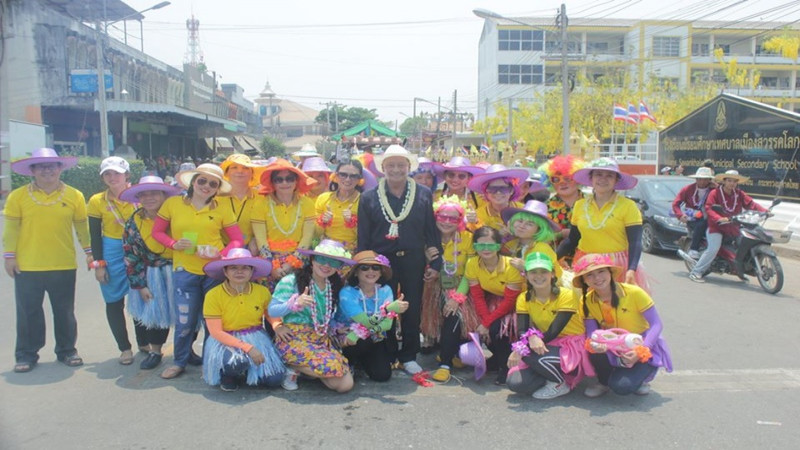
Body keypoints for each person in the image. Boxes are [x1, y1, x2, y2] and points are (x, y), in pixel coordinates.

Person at [357, 145, 443, 377]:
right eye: (391, 165)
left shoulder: (423, 194)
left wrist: (435, 264)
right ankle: (388, 352)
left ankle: (409, 355)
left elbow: (431, 233)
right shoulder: (368, 197)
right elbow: (363, 236)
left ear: (408, 167)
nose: (396, 169)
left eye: (401, 165)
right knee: (384, 308)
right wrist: (363, 268)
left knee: (412, 308)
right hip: (381, 264)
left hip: (413, 260)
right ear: (383, 168)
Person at [152, 163, 244, 379]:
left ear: (218, 188)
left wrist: (221, 253)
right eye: (202, 180)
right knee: (185, 320)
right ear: (193, 181)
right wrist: (173, 244)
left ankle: (212, 361)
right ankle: (180, 361)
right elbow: (157, 232)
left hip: (213, 272)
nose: (206, 186)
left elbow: (238, 239)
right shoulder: (173, 204)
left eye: (213, 183)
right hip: (184, 271)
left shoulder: (222, 208)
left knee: (212, 320)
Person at [4, 148, 90, 372]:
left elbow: (82, 227)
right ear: (32, 170)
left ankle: (67, 350)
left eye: (52, 165)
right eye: (41, 166)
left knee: (64, 311)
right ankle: (26, 354)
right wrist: (9, 257)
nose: (47, 170)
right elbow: (11, 229)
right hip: (27, 266)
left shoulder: (75, 196)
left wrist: (89, 252)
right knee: (28, 312)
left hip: (63, 264)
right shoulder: (18, 196)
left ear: (61, 168)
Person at [572, 254, 672, 397]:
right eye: (589, 275)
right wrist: (595, 344)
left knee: (622, 387)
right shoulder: (586, 300)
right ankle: (603, 382)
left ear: (610, 272)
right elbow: (591, 332)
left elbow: (656, 324)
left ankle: (641, 377)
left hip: (639, 343)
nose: (597, 278)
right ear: (584, 281)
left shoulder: (634, 292)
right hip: (611, 345)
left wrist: (640, 351)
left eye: (601, 271)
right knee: (592, 348)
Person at [268, 240, 355, 393]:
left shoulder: (334, 285)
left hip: (319, 337)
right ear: (313, 260)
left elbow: (328, 315)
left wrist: (337, 328)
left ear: (339, 267)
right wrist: (293, 304)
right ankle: (290, 365)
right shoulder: (291, 281)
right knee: (332, 368)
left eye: (333, 262)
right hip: (292, 337)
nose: (327, 265)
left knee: (344, 385)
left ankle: (303, 370)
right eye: (322, 259)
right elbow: (272, 310)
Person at [506, 252, 594, 399]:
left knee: (529, 356)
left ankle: (559, 383)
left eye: (544, 272)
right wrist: (529, 339)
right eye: (533, 272)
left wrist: (522, 349)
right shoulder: (523, 298)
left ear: (552, 274)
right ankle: (549, 374)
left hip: (572, 346)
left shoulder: (566, 295)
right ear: (526, 275)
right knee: (515, 383)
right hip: (546, 344)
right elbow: (522, 329)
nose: (539, 276)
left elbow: (554, 331)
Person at [557, 157, 648, 290]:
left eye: (609, 175)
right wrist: (551, 258)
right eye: (598, 174)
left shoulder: (628, 206)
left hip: (616, 266)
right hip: (586, 264)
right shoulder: (580, 205)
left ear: (616, 180)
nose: (603, 179)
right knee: (585, 306)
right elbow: (572, 240)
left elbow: (635, 242)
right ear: (591, 179)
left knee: (614, 307)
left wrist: (631, 269)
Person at [202, 249, 285, 392]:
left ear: (252, 271)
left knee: (275, 380)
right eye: (234, 268)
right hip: (225, 339)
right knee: (235, 363)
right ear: (225, 271)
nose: (239, 272)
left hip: (256, 337)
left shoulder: (262, 291)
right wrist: (248, 348)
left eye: (245, 268)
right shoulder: (213, 295)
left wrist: (277, 325)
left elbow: (270, 313)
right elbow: (216, 332)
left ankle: (249, 371)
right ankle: (228, 374)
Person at [120, 176, 182, 370]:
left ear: (164, 195)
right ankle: (155, 351)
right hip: (151, 273)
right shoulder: (134, 222)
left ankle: (186, 351)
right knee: (155, 313)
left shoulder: (177, 215)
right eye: (143, 195)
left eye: (154, 193)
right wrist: (140, 285)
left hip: (178, 269)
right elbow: (130, 255)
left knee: (186, 313)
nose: (149, 198)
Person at [87, 156, 144, 365]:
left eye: (117, 173)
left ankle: (144, 342)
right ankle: (124, 348)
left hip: (137, 250)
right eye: (107, 174)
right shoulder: (96, 201)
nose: (112, 178)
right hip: (111, 251)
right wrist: (99, 264)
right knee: (113, 301)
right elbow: (94, 235)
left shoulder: (139, 196)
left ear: (127, 175)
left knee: (140, 296)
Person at [424, 196, 481, 383]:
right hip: (432, 288)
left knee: (454, 314)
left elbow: (470, 273)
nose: (447, 222)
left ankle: (445, 364)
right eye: (443, 217)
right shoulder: (427, 238)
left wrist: (457, 298)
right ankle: (451, 351)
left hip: (460, 287)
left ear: (460, 221)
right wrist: (426, 261)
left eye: (453, 218)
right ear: (435, 216)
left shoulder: (468, 239)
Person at [464, 226, 524, 385]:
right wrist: (483, 321)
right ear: (475, 247)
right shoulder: (472, 264)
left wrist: (487, 323)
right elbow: (477, 296)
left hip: (516, 305)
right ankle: (498, 359)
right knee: (480, 327)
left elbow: (510, 301)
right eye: (480, 245)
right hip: (493, 303)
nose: (485, 249)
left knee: (498, 329)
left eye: (490, 245)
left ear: (498, 246)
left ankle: (505, 367)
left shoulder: (511, 266)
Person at [336, 251, 408, 382]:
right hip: (347, 339)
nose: (371, 271)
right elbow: (366, 322)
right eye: (364, 267)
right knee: (359, 342)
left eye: (376, 268)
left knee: (382, 376)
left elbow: (387, 325)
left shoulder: (385, 290)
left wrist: (358, 334)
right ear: (356, 272)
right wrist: (388, 308)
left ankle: (362, 362)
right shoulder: (347, 292)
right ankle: (349, 362)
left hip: (373, 337)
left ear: (381, 272)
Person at [688, 170, 767, 283]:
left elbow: (751, 204)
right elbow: (709, 208)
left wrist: (764, 211)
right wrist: (719, 218)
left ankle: (741, 270)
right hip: (716, 227)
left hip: (734, 226)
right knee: (713, 248)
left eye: (734, 181)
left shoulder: (739, 194)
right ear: (724, 181)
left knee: (746, 243)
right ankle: (696, 272)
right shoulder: (714, 193)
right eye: (729, 181)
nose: (732, 184)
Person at [251, 159, 317, 283]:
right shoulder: (261, 204)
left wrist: (291, 263)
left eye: (290, 178)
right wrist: (271, 266)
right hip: (269, 260)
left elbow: (307, 237)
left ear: (296, 181)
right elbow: (261, 239)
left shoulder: (307, 203)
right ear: (272, 183)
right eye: (279, 180)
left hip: (299, 259)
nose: (285, 183)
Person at [315, 159, 372, 253]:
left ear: (359, 180)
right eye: (343, 175)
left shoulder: (365, 202)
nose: (347, 179)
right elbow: (315, 234)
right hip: (325, 250)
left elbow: (367, 236)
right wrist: (323, 221)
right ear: (335, 176)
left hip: (351, 254)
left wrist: (352, 223)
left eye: (353, 176)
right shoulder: (323, 198)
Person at [500, 199, 563, 280]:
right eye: (519, 221)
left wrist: (527, 267)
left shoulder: (541, 249)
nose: (522, 226)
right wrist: (500, 237)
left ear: (539, 229)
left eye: (529, 224)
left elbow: (553, 278)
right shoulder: (512, 243)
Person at [466, 164, 528, 240]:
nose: (498, 193)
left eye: (503, 188)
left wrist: (514, 234)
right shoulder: (478, 215)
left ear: (511, 190)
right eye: (492, 189)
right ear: (486, 192)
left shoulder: (525, 210)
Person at [217, 154, 266, 251]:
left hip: (252, 250)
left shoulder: (261, 197)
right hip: (221, 249)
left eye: (245, 168)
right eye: (234, 168)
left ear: (252, 173)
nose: (240, 171)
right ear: (226, 173)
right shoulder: (216, 197)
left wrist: (255, 239)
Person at [538, 155, 585, 244]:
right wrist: (560, 234)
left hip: (588, 255)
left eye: (567, 178)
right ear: (549, 181)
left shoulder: (592, 203)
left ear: (578, 179)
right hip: (555, 256)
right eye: (556, 179)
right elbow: (538, 237)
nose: (562, 183)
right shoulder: (543, 208)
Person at [672, 167, 715, 259]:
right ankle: (693, 249)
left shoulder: (713, 190)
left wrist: (718, 187)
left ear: (710, 180)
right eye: (700, 179)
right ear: (696, 179)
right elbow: (676, 204)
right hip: (692, 217)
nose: (702, 182)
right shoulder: (687, 189)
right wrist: (680, 215)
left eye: (705, 180)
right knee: (702, 223)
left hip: (710, 217)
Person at [433, 156, 486, 228]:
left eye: (461, 176)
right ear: (445, 176)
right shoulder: (435, 197)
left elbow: (484, 230)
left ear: (469, 179)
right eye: (451, 175)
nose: (455, 180)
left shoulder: (479, 200)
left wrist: (476, 221)